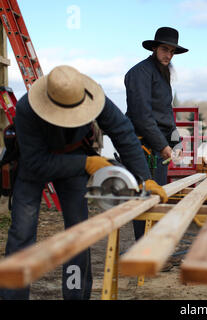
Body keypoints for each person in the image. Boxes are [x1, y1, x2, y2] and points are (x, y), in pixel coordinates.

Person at [0, 65, 168, 300]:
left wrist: (144, 178)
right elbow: (37, 163)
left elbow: (124, 134)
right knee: (22, 234)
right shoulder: (27, 108)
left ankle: (76, 296)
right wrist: (87, 164)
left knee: (78, 235)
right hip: (35, 163)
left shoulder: (94, 96)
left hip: (74, 157)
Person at [125, 26, 187, 240]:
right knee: (145, 198)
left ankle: (152, 247)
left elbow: (165, 112)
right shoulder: (139, 73)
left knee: (158, 196)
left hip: (158, 145)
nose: (168, 55)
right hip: (142, 145)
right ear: (154, 48)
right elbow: (142, 116)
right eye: (164, 49)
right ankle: (144, 252)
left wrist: (176, 141)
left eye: (171, 51)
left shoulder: (164, 73)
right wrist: (163, 146)